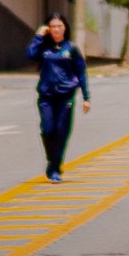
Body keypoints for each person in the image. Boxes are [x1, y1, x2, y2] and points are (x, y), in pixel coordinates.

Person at [26, 14, 91, 181]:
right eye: (52, 26)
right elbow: (30, 55)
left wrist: (86, 97)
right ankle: (52, 160)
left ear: (65, 28)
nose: (56, 29)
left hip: (65, 96)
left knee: (61, 132)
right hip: (46, 96)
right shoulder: (43, 47)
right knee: (48, 130)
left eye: (59, 26)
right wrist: (39, 36)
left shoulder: (71, 48)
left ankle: (55, 168)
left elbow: (81, 72)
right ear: (48, 28)